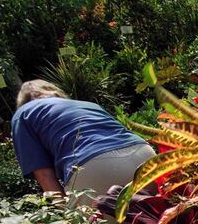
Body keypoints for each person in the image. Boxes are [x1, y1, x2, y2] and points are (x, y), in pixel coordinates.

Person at [11, 80, 155, 204]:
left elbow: (44, 175)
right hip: (144, 155)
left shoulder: (23, 114)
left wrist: (64, 218)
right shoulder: (85, 104)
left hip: (96, 166)